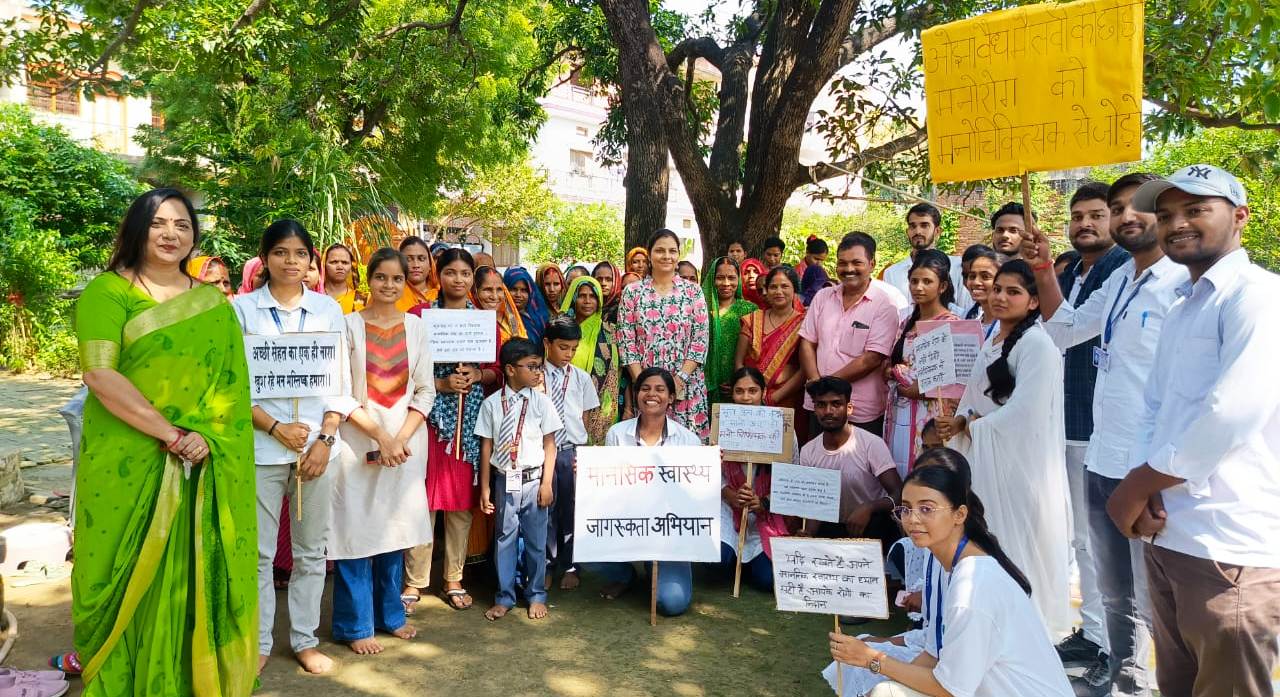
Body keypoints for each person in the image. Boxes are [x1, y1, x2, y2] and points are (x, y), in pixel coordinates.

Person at [73, 188, 256, 696]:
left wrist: (207, 437)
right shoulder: (108, 292)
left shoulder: (212, 303)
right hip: (126, 459)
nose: (171, 233)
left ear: (194, 235)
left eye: (182, 224)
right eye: (158, 223)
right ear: (137, 229)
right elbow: (100, 375)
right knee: (116, 566)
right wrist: (172, 435)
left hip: (200, 462)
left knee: (191, 574)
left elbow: (231, 386)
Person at [1106, 165, 1280, 697]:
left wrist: (1137, 485)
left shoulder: (1258, 296)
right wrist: (1146, 490)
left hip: (1230, 545)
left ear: (1240, 216)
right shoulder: (1184, 305)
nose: (1177, 223)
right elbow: (1155, 407)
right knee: (1177, 685)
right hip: (1171, 534)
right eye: (1166, 215)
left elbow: (1234, 413)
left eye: (1196, 209)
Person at [1023, 172, 1185, 696]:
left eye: (1139, 206)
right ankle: (1126, 681)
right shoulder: (1120, 281)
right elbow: (1065, 329)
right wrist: (1043, 269)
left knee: (1154, 590)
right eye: (1117, 207)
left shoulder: (1183, 284)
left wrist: (1156, 475)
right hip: (1104, 454)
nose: (1126, 216)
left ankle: (1157, 681)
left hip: (1149, 469)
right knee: (1116, 591)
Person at [828, 448, 1074, 697]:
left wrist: (873, 660)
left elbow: (950, 689)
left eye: (927, 509)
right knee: (886, 691)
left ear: (960, 514)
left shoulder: (973, 587)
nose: (912, 519)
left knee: (885, 692)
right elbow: (932, 657)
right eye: (906, 508)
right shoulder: (957, 565)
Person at [232, 220, 356, 675]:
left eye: (300, 253)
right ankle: (260, 641)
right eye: (280, 252)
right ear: (264, 258)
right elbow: (232, 384)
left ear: (311, 261)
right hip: (262, 449)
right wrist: (274, 427)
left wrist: (325, 438)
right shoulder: (241, 311)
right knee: (260, 554)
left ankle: (304, 639)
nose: (290, 261)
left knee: (311, 553)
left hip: (318, 453)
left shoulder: (327, 310)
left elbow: (341, 384)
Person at [936, 259, 1071, 637]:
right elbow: (974, 398)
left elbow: (1026, 413)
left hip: (1019, 466)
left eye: (1013, 291)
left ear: (1033, 301)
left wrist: (971, 425)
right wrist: (958, 421)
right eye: (997, 289)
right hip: (985, 461)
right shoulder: (993, 338)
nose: (1000, 297)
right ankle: (987, 623)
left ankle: (1025, 631)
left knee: (1016, 543)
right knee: (988, 536)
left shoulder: (1037, 345)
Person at [1038, 180, 1130, 679]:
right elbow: (1062, 331)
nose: (1086, 224)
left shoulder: (1122, 268)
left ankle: (1116, 650)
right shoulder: (1071, 271)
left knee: (1105, 543)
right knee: (1082, 539)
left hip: (1105, 428)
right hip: (1067, 420)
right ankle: (1094, 634)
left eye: (1097, 215)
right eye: (1078, 217)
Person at [329, 248, 434, 655]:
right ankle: (355, 625)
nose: (389, 285)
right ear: (367, 279)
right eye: (381, 277)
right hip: (356, 442)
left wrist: (399, 438)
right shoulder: (347, 326)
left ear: (406, 282)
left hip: (407, 444)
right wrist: (381, 438)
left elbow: (424, 391)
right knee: (354, 532)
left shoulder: (416, 327)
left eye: (397, 278)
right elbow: (340, 392)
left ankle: (391, 616)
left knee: (396, 528)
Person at [401, 248, 486, 612]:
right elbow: (402, 369)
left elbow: (498, 370)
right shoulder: (420, 316)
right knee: (423, 501)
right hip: (428, 421)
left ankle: (453, 578)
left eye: (465, 273)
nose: (458, 280)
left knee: (461, 504)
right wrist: (440, 384)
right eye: (451, 272)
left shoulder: (483, 321)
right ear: (439, 274)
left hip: (469, 423)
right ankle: (415, 580)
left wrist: (477, 374)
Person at [590, 367, 702, 615]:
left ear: (671, 397)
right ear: (636, 393)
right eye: (645, 388)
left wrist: (711, 467)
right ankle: (625, 574)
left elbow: (695, 496)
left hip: (670, 536)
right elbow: (606, 487)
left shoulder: (688, 441)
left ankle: (657, 568)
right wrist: (588, 473)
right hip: (627, 523)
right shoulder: (617, 434)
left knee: (672, 603)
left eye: (660, 389)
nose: (652, 394)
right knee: (587, 549)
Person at [475, 338, 562, 621]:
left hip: (534, 480)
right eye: (531, 366)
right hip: (505, 480)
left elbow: (550, 445)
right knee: (505, 538)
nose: (538, 372)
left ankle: (536, 593)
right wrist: (485, 488)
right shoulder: (491, 404)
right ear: (511, 370)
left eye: (539, 366)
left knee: (537, 540)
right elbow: (486, 446)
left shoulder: (542, 403)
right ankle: (505, 596)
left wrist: (547, 483)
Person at [799, 232, 900, 437]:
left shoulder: (884, 305)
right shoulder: (823, 296)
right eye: (842, 263)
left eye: (857, 262)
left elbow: (872, 358)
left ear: (872, 264)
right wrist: (816, 384)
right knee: (817, 456)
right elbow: (807, 343)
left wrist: (824, 386)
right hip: (819, 407)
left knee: (860, 458)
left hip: (860, 411)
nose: (849, 269)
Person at [616, 229, 711, 438]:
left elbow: (700, 340)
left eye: (672, 251)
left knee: (686, 448)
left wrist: (679, 381)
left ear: (678, 255)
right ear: (649, 254)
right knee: (647, 447)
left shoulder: (693, 292)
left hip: (686, 386)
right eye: (660, 250)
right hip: (647, 391)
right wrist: (645, 385)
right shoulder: (633, 292)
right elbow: (626, 342)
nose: (666, 256)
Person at [799, 377, 902, 550]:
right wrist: (808, 535)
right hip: (831, 530)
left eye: (836, 404)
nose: (828, 411)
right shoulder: (808, 451)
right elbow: (814, 505)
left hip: (873, 528)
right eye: (821, 405)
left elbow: (899, 493)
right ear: (815, 409)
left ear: (849, 408)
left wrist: (869, 507)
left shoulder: (871, 444)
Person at [884, 250, 959, 478]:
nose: (918, 287)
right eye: (914, 281)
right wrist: (894, 373)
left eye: (927, 281)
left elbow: (953, 379)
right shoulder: (907, 322)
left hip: (930, 413)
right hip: (900, 409)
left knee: (925, 471)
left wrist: (918, 387)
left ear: (942, 286)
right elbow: (892, 362)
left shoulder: (951, 325)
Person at [717, 367, 791, 593]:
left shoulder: (783, 427)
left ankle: (750, 562)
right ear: (732, 394)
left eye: (752, 391)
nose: (746, 398)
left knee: (767, 580)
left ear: (763, 392)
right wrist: (730, 495)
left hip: (765, 511)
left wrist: (764, 502)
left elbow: (791, 477)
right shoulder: (720, 425)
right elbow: (711, 471)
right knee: (715, 563)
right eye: (739, 391)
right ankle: (733, 559)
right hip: (729, 506)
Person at [540, 317, 599, 591]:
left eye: (574, 348)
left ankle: (572, 566)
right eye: (563, 347)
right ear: (547, 343)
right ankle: (547, 565)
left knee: (573, 509)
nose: (569, 354)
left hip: (570, 452)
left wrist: (581, 453)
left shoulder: (581, 377)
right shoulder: (535, 377)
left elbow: (584, 419)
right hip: (541, 453)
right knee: (545, 509)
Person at [736, 266, 806, 424]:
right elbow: (739, 362)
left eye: (785, 286)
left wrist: (774, 397)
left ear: (795, 290)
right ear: (766, 290)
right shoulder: (752, 319)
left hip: (787, 398)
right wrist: (749, 393)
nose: (778, 291)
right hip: (749, 399)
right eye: (773, 287)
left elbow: (804, 370)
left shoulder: (803, 323)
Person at [561, 276, 620, 444]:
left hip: (602, 405)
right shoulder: (560, 330)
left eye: (592, 296)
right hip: (565, 402)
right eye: (582, 295)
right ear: (573, 297)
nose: (587, 301)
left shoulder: (609, 331)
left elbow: (618, 371)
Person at [880, 203, 970, 313]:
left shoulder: (957, 267)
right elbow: (891, 314)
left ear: (937, 231)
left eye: (924, 225)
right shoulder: (892, 273)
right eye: (913, 226)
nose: (918, 231)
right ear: (907, 231)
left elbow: (966, 312)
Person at [702, 257, 758, 403]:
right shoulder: (701, 309)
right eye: (720, 278)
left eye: (732, 278)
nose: (726, 283)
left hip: (739, 386)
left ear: (738, 279)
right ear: (712, 279)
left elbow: (754, 351)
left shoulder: (749, 310)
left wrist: (738, 380)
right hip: (702, 385)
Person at [472, 265, 527, 349]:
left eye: (499, 289)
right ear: (475, 293)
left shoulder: (510, 320)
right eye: (488, 289)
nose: (495, 296)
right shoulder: (470, 325)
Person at [504, 266, 551, 345]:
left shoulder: (540, 317)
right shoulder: (500, 318)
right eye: (514, 289)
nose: (518, 295)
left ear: (530, 292)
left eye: (524, 290)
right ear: (505, 290)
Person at [959, 244, 999, 331]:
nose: (976, 282)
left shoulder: (1007, 324)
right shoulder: (967, 316)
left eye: (985, 276)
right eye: (971, 276)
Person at [396, 236, 438, 311]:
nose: (416, 265)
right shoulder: (390, 294)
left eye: (421, 259)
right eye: (408, 259)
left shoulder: (443, 294)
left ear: (430, 264)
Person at [323, 243, 366, 314]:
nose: (340, 267)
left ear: (351, 267)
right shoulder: (312, 297)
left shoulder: (364, 299)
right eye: (334, 262)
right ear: (324, 264)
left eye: (345, 263)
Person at [591, 261, 622, 326]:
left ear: (616, 281)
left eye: (608, 279)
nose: (603, 283)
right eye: (599, 279)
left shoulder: (622, 307)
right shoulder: (587, 305)